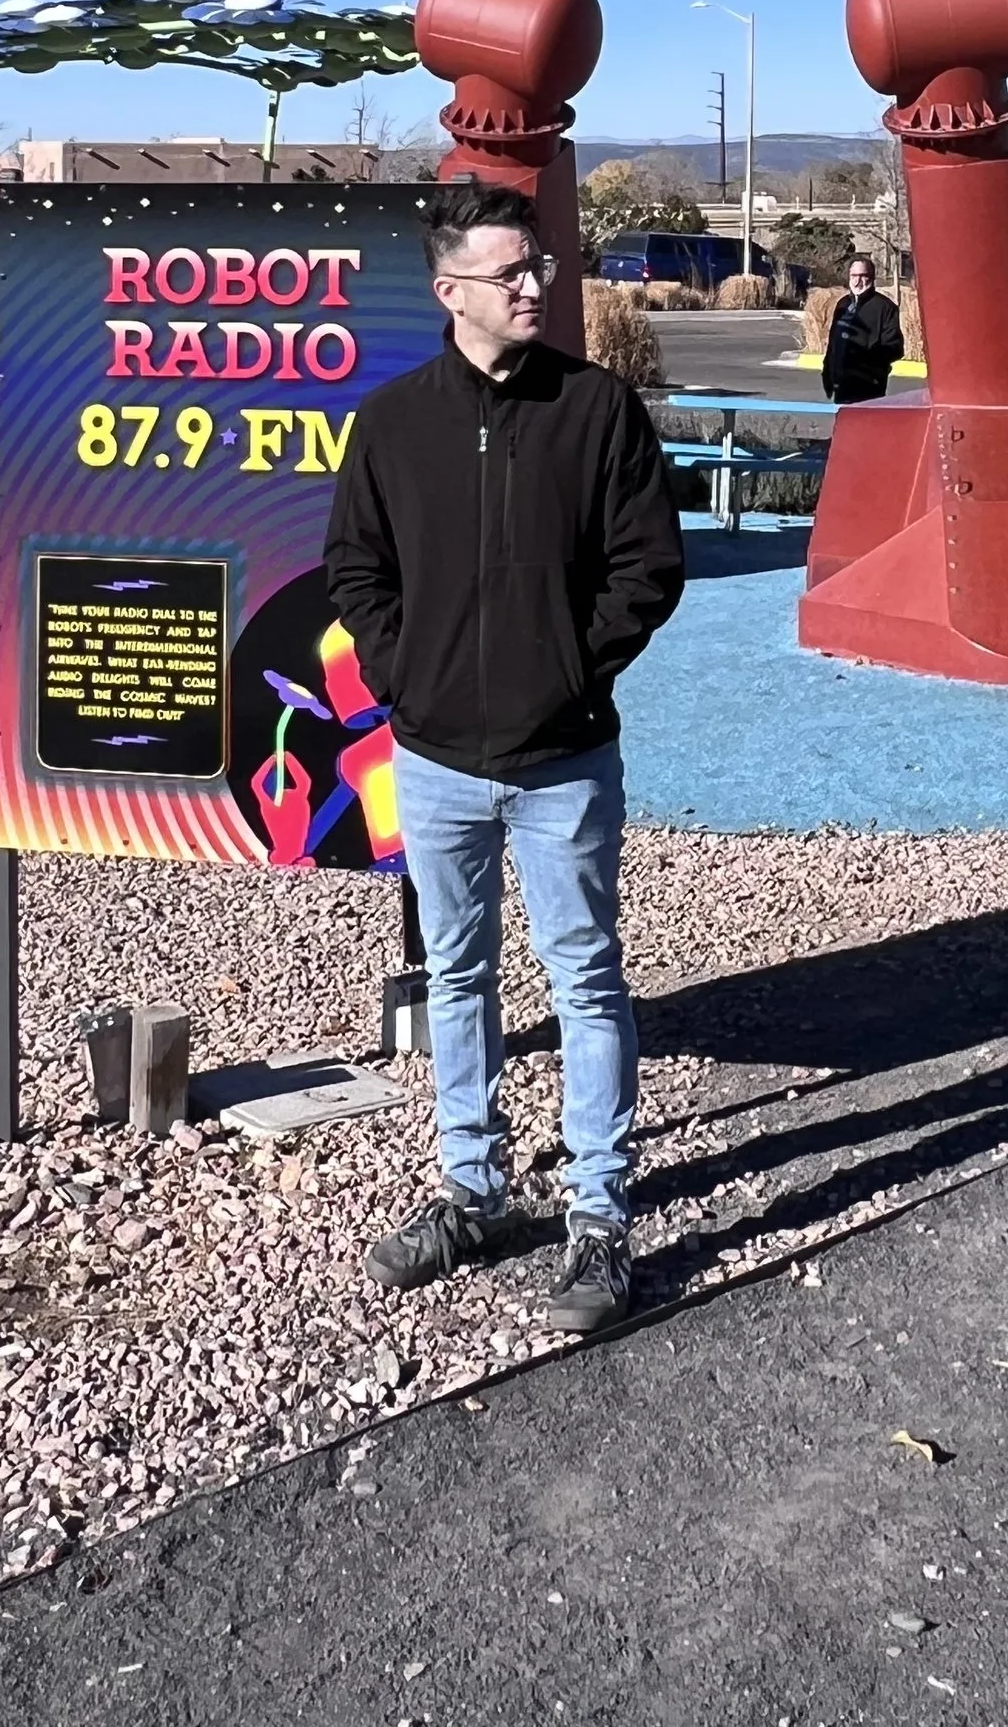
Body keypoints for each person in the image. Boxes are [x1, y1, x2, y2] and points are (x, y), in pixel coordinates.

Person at [323, 180, 685, 1337]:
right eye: (508, 273)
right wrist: (403, 677)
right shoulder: (391, 423)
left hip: (564, 758)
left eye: (539, 269)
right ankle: (475, 1193)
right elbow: (355, 573)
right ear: (450, 292)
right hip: (431, 758)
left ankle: (597, 1214)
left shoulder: (597, 411)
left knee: (583, 978)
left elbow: (648, 569)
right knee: (458, 979)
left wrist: (566, 672)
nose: (535, 286)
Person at [821, 253, 906, 404]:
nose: (857, 280)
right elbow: (833, 343)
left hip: (868, 389)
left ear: (872, 278)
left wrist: (868, 363)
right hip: (841, 387)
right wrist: (827, 374)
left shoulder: (885, 307)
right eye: (853, 275)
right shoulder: (843, 305)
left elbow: (895, 348)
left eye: (863, 275)